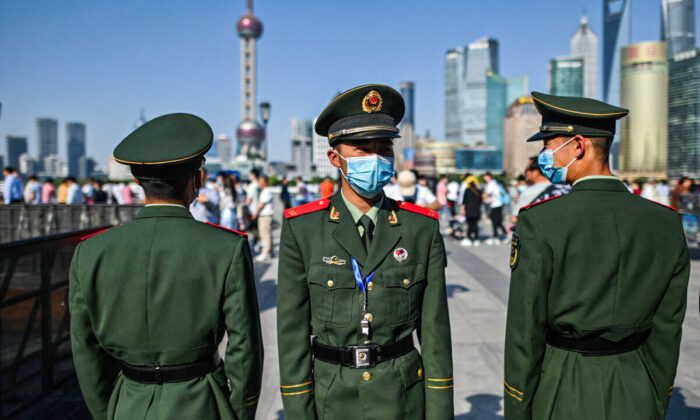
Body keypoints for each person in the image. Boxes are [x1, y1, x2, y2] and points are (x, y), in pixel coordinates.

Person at [504, 92, 690, 420]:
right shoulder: (666, 222)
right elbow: (667, 328)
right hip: (636, 385)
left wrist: (519, 408)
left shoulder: (541, 221)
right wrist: (656, 395)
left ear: (578, 146)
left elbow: (525, 331)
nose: (546, 155)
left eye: (548, 144)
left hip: (563, 385)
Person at [69, 113, 263, 420]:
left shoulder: (91, 251)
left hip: (127, 402)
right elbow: (246, 350)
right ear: (198, 179)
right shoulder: (226, 248)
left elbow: (85, 349)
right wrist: (237, 413)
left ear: (137, 181)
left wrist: (108, 410)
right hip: (203, 402)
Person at [277, 84, 453, 419]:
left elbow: (435, 336)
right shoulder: (303, 229)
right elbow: (291, 337)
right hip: (333, 397)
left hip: (402, 397)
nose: (375, 158)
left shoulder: (420, 229)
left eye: (383, 148)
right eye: (361, 149)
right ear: (334, 157)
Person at [509, 157, 570, 230]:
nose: (526, 173)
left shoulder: (529, 192)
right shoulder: (563, 188)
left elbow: (515, 218)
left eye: (527, 170)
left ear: (536, 172)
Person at [253, 176, 274, 261]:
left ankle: (265, 253)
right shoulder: (265, 191)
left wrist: (256, 214)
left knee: (265, 235)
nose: (260, 183)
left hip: (265, 216)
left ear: (265, 182)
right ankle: (269, 252)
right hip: (265, 216)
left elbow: (262, 204)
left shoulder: (266, 191)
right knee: (267, 234)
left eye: (261, 181)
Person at [482, 172, 507, 244]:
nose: (485, 178)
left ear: (489, 177)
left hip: (496, 204)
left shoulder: (491, 184)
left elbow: (487, 193)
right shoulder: (494, 183)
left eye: (486, 176)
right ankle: (503, 234)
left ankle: (496, 237)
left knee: (495, 220)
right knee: (497, 220)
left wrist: (481, 197)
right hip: (497, 204)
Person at [460, 175, 482, 246]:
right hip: (476, 210)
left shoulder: (467, 191)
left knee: (469, 224)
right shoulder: (479, 191)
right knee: (475, 224)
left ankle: (469, 238)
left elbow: (464, 201)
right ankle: (476, 239)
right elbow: (481, 202)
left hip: (469, 210)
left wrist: (463, 209)